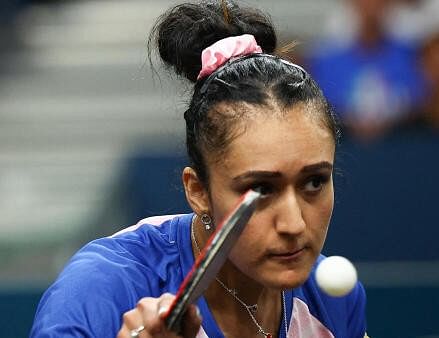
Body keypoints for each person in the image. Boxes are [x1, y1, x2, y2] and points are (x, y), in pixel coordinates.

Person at [29, 1, 368, 337]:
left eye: (313, 182)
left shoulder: (332, 300)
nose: (294, 224)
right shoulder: (104, 289)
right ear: (198, 191)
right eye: (261, 189)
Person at [305, 0, 424, 143]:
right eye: (365, 2)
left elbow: (421, 103)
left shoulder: (410, 56)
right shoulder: (326, 60)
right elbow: (319, 111)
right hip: (345, 149)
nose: (371, 7)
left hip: (400, 146)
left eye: (378, 2)